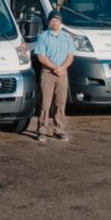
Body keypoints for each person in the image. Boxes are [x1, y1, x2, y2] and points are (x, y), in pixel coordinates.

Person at [32, 12, 76, 142]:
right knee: (46, 103)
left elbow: (70, 56)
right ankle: (42, 130)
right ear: (49, 22)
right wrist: (53, 67)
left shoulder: (67, 37)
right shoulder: (43, 37)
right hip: (48, 73)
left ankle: (59, 130)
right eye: (52, 20)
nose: (55, 23)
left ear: (61, 22)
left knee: (60, 102)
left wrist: (62, 68)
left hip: (62, 73)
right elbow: (41, 56)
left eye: (57, 20)